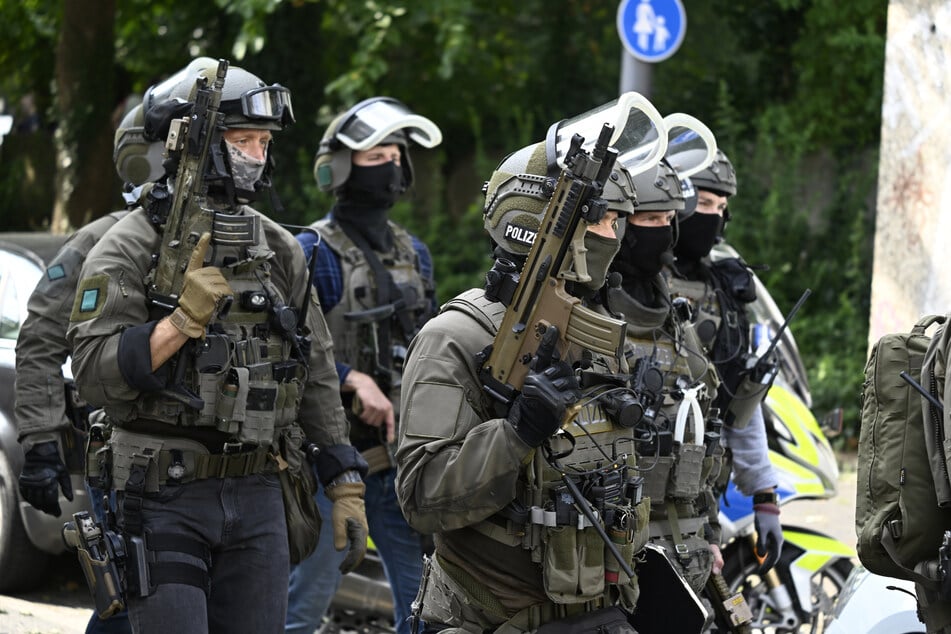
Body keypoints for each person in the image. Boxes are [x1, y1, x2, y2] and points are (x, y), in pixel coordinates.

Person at [65, 60, 369, 634]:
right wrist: (177, 323)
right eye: (240, 139)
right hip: (161, 489)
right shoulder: (128, 247)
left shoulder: (279, 247)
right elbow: (92, 376)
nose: (256, 153)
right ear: (198, 144)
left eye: (262, 141)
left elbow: (316, 368)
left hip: (260, 490)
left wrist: (344, 480)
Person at [395, 115, 660, 632]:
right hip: (493, 620)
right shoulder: (456, 337)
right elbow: (423, 497)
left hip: (596, 614)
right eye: (602, 221)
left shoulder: (596, 333)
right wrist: (515, 434)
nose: (615, 235)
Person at [287, 97, 441, 634]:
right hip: (329, 464)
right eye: (377, 155)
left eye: (398, 154)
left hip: (400, 460)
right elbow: (288, 349)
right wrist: (352, 378)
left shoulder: (414, 254)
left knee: (427, 608)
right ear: (342, 169)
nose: (392, 165)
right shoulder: (311, 251)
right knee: (302, 608)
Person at [14, 97, 167, 634]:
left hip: (196, 462)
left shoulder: (233, 238)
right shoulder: (100, 241)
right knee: (128, 599)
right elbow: (38, 341)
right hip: (121, 455)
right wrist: (37, 441)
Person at [604, 158, 726, 598]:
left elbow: (705, 440)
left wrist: (710, 533)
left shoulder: (680, 325)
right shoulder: (588, 318)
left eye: (669, 219)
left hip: (683, 545)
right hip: (609, 552)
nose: (663, 230)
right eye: (650, 218)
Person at [666, 149, 783, 574]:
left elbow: (740, 403)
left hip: (700, 500)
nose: (711, 216)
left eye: (720, 207)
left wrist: (764, 495)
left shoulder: (723, 290)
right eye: (704, 202)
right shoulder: (626, 280)